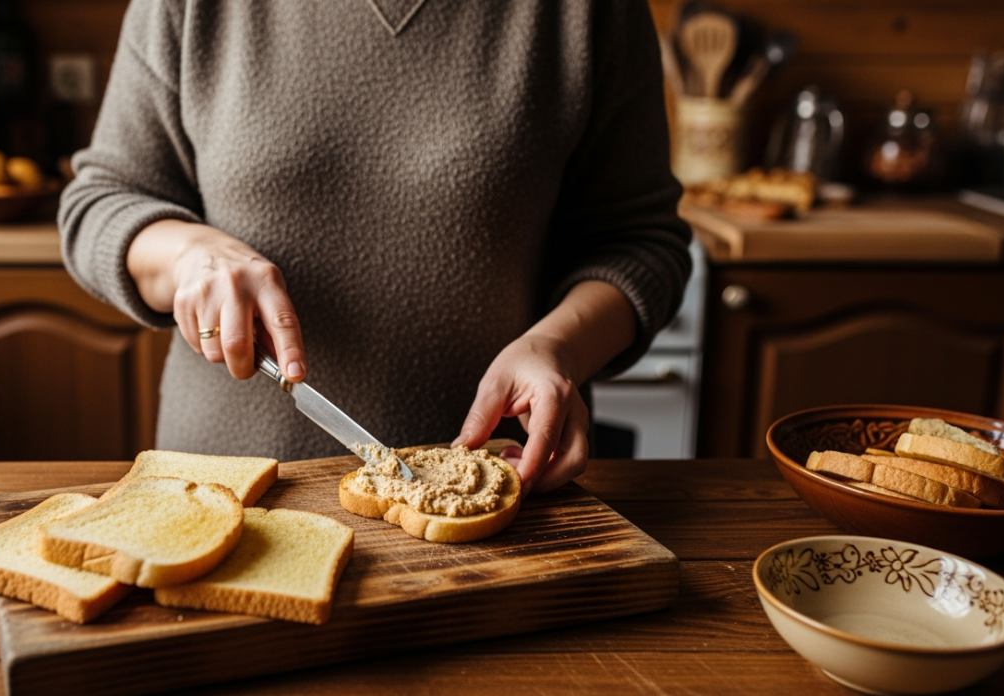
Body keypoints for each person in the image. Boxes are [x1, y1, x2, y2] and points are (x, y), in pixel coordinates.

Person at [59, 0, 692, 495]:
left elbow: (641, 241)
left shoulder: (590, 13)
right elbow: (101, 202)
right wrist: (188, 254)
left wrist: (560, 347)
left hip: (504, 501)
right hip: (223, 488)